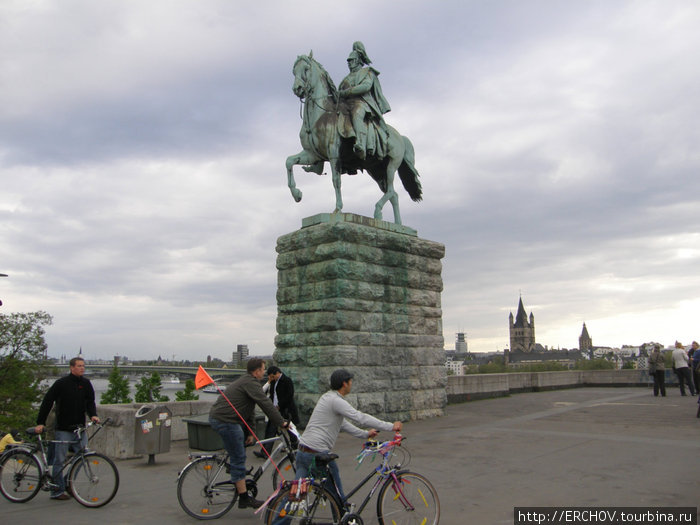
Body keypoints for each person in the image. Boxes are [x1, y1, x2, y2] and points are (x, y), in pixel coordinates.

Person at [294, 369, 402, 501]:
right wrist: (391, 426)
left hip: (303, 452)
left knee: (294, 496)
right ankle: (342, 516)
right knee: (337, 497)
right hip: (316, 454)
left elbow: (343, 424)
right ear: (344, 383)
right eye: (350, 381)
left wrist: (365, 434)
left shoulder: (327, 397)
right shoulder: (336, 401)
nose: (351, 384)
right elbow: (360, 417)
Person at [209, 358, 287, 509]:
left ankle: (237, 474)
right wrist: (281, 422)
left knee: (239, 449)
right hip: (225, 420)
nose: (265, 372)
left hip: (225, 419)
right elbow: (265, 403)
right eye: (263, 369)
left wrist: (250, 432)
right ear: (256, 371)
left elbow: (249, 408)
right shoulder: (250, 383)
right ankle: (244, 498)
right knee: (239, 457)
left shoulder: (248, 382)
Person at [35, 357, 99, 500]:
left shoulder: (86, 384)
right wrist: (40, 422)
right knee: (59, 460)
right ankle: (57, 491)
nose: (82, 368)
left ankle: (67, 483)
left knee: (82, 457)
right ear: (71, 368)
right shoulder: (61, 384)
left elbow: (90, 402)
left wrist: (93, 415)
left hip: (79, 429)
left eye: (83, 366)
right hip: (63, 428)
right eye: (79, 366)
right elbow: (47, 401)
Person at [338, 41, 391, 160]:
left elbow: (366, 86)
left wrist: (347, 92)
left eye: (351, 60)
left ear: (358, 61)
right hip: (345, 105)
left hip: (362, 103)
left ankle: (361, 143)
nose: (349, 63)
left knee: (357, 115)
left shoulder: (368, 72)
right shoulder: (346, 78)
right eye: (348, 61)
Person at [254, 365, 299, 458]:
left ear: (277, 373)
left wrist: (279, 405)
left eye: (272, 376)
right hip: (275, 410)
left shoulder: (287, 380)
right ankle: (265, 452)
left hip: (285, 410)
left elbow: (289, 395)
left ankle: (295, 448)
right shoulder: (274, 382)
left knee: (290, 431)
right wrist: (269, 381)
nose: (271, 378)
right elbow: (268, 393)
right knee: (270, 430)